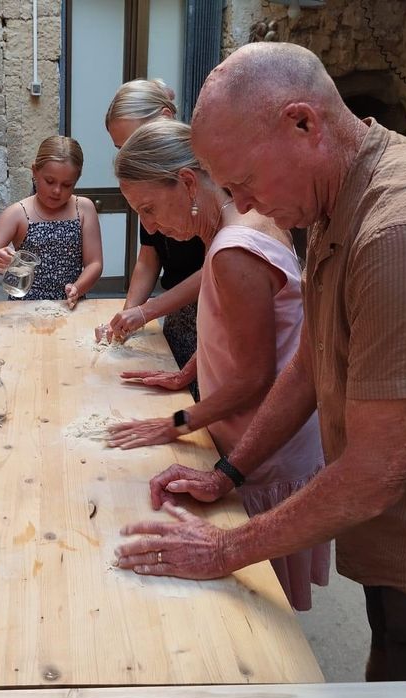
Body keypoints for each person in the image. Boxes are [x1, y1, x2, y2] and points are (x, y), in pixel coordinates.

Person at [115, 42, 406, 698]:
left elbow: (376, 471)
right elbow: (312, 366)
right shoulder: (333, 196)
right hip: (405, 520)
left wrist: (226, 550)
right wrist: (231, 470)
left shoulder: (403, 231)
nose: (241, 205)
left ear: (304, 123)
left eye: (242, 181)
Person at [105, 119, 328, 611]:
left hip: (263, 443)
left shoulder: (233, 250)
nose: (149, 227)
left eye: (148, 208)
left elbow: (255, 377)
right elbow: (243, 328)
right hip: (261, 427)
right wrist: (190, 374)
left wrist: (176, 422)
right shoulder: (240, 220)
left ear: (186, 182)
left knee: (257, 601)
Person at [97, 79, 205, 376]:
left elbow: (218, 268)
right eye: (121, 149)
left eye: (135, 142)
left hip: (211, 316)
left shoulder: (211, 186)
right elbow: (149, 255)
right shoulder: (151, 183)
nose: (151, 225)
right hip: (176, 313)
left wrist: (146, 312)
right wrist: (129, 314)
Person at [0, 135, 103, 307]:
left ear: (77, 179)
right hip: (25, 308)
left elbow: (94, 263)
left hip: (69, 305)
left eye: (66, 185)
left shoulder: (84, 209)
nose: (57, 190)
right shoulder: (18, 213)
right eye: (49, 181)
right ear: (35, 171)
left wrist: (78, 288)